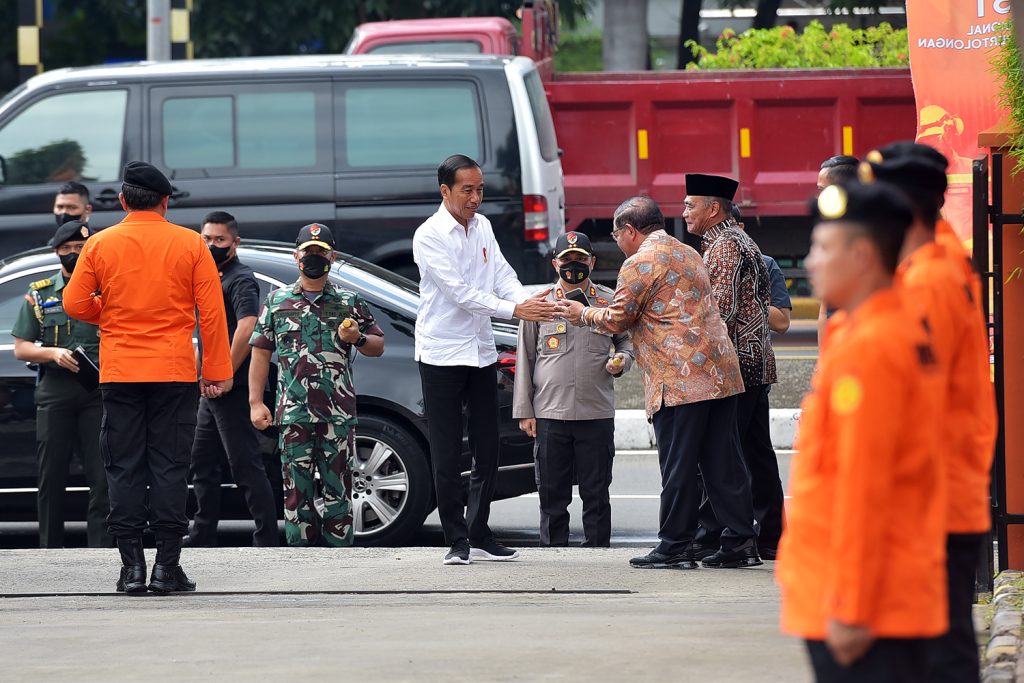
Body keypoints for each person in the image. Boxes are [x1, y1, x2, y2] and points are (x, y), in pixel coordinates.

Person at [777, 182, 947, 682]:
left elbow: (863, 485)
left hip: (861, 602)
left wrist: (851, 604)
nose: (810, 262)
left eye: (822, 248)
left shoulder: (869, 349)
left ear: (863, 254)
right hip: (881, 593)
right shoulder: (883, 329)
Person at [63, 161, 233, 595]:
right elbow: (211, 313)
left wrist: (113, 314)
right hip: (173, 370)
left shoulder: (100, 244)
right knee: (171, 466)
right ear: (165, 200)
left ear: (122, 200)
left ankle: (131, 569)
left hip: (120, 370)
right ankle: (166, 568)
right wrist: (215, 371)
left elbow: (74, 303)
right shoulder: (190, 244)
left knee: (123, 466)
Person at [562, 196, 759, 570]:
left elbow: (617, 319)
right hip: (720, 374)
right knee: (723, 463)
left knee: (680, 465)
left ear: (630, 231)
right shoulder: (689, 252)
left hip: (680, 380)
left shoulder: (639, 263)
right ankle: (740, 542)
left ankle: (675, 546)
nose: (617, 241)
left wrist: (581, 312)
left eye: (617, 233)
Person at [862, 142, 996, 683]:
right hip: (938, 486)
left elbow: (916, 399)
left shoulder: (928, 281)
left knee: (938, 645)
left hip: (930, 492)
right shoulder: (932, 263)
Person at [413, 153, 568, 566]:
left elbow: (502, 276)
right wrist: (516, 311)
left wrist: (529, 299)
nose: (476, 198)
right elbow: (459, 293)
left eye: (480, 189)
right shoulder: (429, 235)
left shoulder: (482, 227)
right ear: (445, 191)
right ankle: (456, 539)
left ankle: (479, 532)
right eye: (467, 190)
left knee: (488, 446)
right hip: (443, 353)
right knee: (446, 452)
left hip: (480, 350)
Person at [249, 223, 384, 547]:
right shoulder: (277, 302)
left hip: (336, 414)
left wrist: (358, 338)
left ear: (332, 257)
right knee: (296, 494)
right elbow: (261, 353)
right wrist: (256, 402)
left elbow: (377, 345)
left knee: (339, 490)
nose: (314, 258)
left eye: (320, 253)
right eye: (308, 253)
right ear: (296, 256)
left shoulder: (348, 301)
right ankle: (301, 561)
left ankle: (339, 560)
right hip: (294, 414)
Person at [683, 173, 784, 562]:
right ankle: (768, 536)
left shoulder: (723, 247)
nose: (685, 212)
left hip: (736, 365)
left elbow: (718, 313)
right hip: (756, 362)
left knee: (724, 455)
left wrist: (688, 353)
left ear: (713, 209)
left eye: (691, 205)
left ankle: (729, 538)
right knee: (755, 453)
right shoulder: (739, 240)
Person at [513, 231, 633, 547]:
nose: (574, 265)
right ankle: (553, 557)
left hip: (596, 412)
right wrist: (525, 411)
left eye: (580, 259)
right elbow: (524, 358)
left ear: (592, 262)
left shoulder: (609, 302)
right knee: (552, 496)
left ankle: (597, 554)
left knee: (596, 494)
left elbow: (626, 341)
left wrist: (622, 359)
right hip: (550, 413)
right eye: (567, 260)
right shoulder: (539, 305)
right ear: (555, 263)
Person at [11, 220, 110, 549]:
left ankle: (101, 551)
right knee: (51, 478)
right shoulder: (40, 294)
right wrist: (52, 352)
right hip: (55, 392)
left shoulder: (106, 290)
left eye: (80, 250)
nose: (73, 255)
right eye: (66, 249)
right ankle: (49, 551)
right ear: (56, 252)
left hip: (97, 391)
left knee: (102, 479)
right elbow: (21, 347)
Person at [186, 211, 279, 548]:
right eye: (206, 238)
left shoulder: (240, 278)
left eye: (219, 240)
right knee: (201, 463)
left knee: (245, 466)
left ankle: (266, 540)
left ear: (235, 242)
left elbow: (248, 325)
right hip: (210, 388)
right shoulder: (210, 275)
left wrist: (223, 372)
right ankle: (202, 534)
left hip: (233, 387)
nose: (212, 245)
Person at [816, 156, 859, 344]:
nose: (819, 198)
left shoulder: (873, 236)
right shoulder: (833, 232)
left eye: (822, 191)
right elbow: (825, 308)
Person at [732, 204, 792, 334]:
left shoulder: (765, 264)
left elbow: (782, 323)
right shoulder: (698, 264)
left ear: (740, 228)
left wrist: (737, 298)